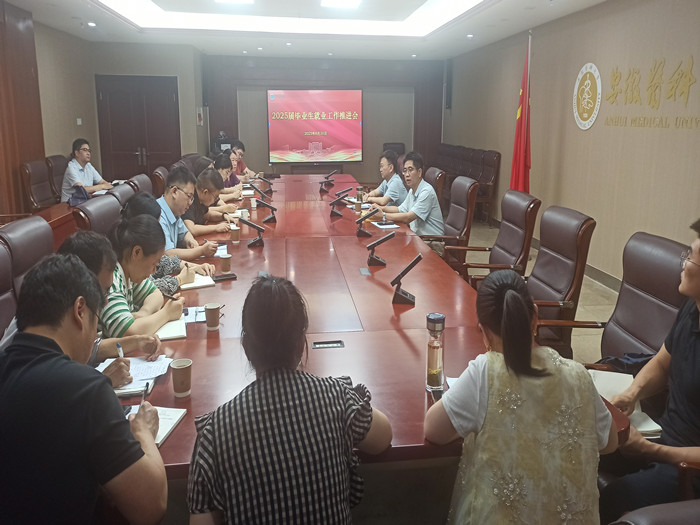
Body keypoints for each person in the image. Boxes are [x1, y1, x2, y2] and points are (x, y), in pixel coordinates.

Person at [187, 275, 393, 524]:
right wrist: (347, 393)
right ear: (300, 344)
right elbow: (383, 437)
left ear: (246, 346)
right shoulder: (337, 398)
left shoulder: (214, 433)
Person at [424, 270, 617, 524]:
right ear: (535, 317)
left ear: (483, 332)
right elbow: (610, 442)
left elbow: (433, 430)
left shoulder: (486, 371)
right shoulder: (578, 374)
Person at [0, 254, 167, 524]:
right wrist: (143, 432)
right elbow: (150, 506)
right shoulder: (84, 389)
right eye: (95, 322)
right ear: (80, 311)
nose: (94, 337)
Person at [599, 218, 700, 522]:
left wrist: (650, 451)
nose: (683, 264)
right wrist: (631, 394)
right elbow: (661, 362)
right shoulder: (692, 308)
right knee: (585, 450)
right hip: (662, 437)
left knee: (614, 496)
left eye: (691, 258)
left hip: (689, 470)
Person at [0, 230, 162, 388]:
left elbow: (94, 349)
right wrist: (100, 382)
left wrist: (136, 342)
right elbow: (50, 387)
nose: (105, 300)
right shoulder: (44, 323)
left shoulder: (61, 305)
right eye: (102, 291)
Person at [100, 214, 185, 338]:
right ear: (137, 252)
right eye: (153, 264)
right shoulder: (111, 279)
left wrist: (144, 313)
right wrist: (166, 314)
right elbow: (127, 332)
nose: (153, 271)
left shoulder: (129, 271)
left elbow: (155, 294)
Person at [123, 192, 214, 296]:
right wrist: (179, 279)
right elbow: (150, 289)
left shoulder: (138, 243)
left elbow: (164, 263)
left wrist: (195, 267)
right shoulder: (131, 256)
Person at [369, 151, 444, 236]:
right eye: (405, 171)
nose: (407, 174)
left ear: (419, 172)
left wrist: (383, 215)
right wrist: (380, 208)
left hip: (432, 240)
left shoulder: (427, 192)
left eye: (410, 170)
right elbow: (399, 209)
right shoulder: (412, 190)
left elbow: (408, 217)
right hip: (417, 237)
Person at [156, 165, 217, 261]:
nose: (190, 202)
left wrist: (190, 240)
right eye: (189, 196)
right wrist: (201, 251)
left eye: (192, 198)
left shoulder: (174, 212)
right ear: (174, 191)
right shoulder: (158, 215)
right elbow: (168, 254)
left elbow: (184, 232)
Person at [183, 167, 239, 236]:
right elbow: (192, 229)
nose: (216, 200)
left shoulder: (201, 200)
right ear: (205, 192)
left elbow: (208, 215)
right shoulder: (189, 199)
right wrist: (216, 227)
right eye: (215, 197)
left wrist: (223, 216)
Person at [60, 138, 112, 202]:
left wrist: (109, 186)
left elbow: (102, 181)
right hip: (69, 203)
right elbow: (82, 190)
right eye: (85, 150)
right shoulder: (71, 168)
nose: (88, 153)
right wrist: (102, 186)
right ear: (77, 153)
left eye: (89, 151)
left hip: (85, 200)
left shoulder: (88, 166)